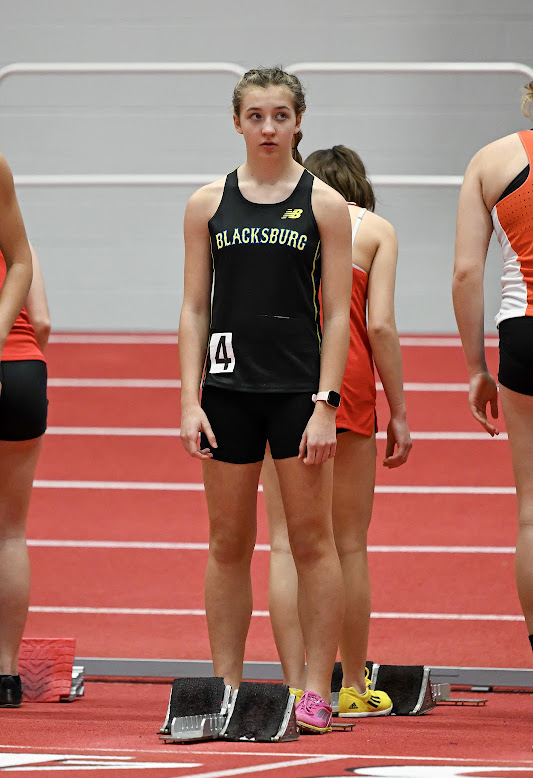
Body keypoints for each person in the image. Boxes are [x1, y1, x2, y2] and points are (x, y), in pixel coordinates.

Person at [178, 67, 353, 733]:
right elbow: (194, 307)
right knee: (226, 541)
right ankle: (224, 684)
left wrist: (326, 404)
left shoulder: (323, 205)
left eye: (280, 116)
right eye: (256, 116)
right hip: (225, 393)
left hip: (296, 395)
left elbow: (336, 314)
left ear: (298, 121)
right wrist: (188, 400)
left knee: (311, 541)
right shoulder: (206, 204)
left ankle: (313, 687)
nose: (269, 128)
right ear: (236, 123)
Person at [262, 145, 412, 717]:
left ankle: (298, 688)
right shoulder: (375, 231)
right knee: (347, 543)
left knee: (284, 542)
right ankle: (349, 684)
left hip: (281, 375)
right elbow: (380, 324)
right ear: (362, 190)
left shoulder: (278, 217)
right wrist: (398, 409)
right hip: (346, 383)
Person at [452, 82, 533, 660]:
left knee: (531, 511)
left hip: (523, 333)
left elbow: (464, 274)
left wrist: (477, 367)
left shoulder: (492, 160)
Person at [0, 153, 50, 708]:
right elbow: (41, 322)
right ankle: (7, 674)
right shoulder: (2, 172)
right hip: (20, 368)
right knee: (9, 531)